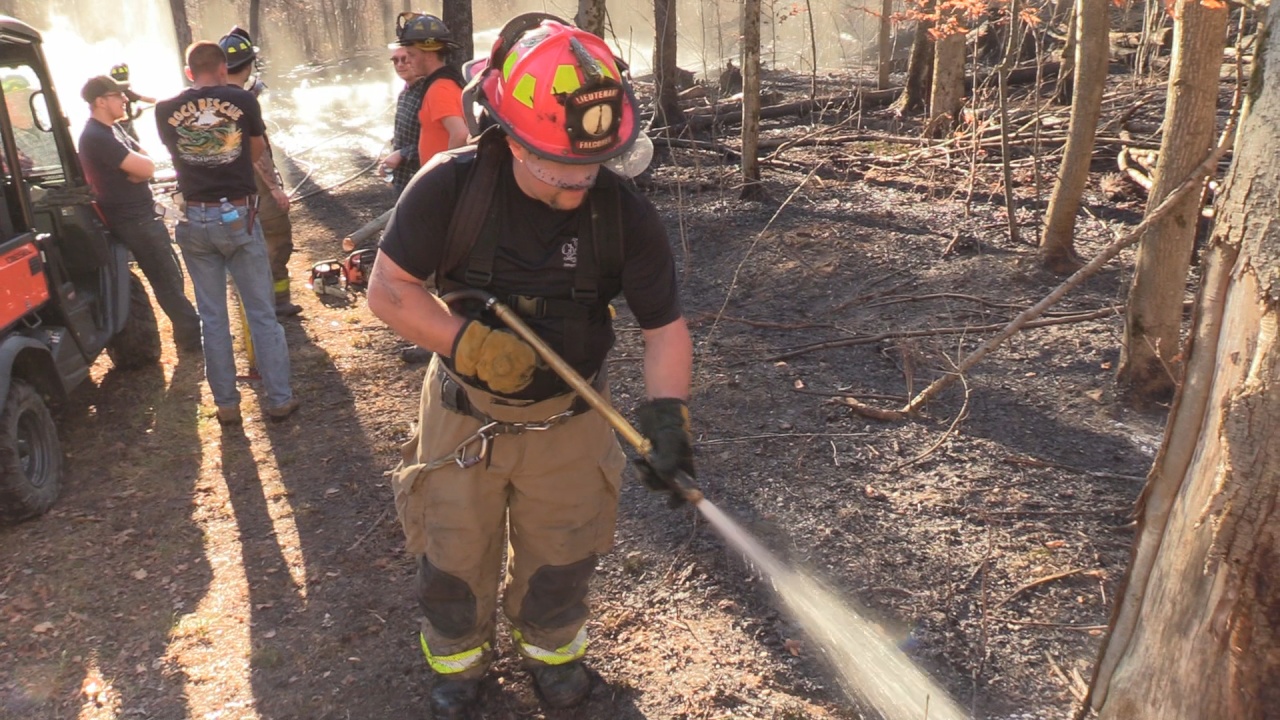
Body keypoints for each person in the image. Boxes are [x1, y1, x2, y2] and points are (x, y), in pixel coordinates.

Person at [366, 16, 694, 719]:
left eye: (592, 164)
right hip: (463, 419)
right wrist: (470, 345)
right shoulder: (448, 190)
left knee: (565, 556)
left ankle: (554, 659)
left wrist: (668, 415)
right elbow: (389, 289)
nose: (581, 179)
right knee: (452, 559)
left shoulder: (622, 213)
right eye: (559, 164)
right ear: (508, 133)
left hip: (571, 429)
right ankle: (459, 667)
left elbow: (665, 328)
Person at [155, 41, 299, 426]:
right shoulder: (243, 101)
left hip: (194, 219)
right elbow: (253, 152)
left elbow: (177, 153)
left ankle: (226, 405)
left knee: (213, 317)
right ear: (222, 69)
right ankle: (280, 400)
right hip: (238, 215)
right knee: (261, 314)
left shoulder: (164, 109)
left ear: (189, 72)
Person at [77, 75, 203, 353]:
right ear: (100, 101)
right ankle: (193, 339)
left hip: (142, 215)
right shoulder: (96, 136)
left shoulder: (113, 130)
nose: (124, 99)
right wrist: (139, 172)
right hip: (134, 220)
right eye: (116, 96)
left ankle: (189, 333)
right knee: (165, 278)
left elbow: (145, 159)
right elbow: (146, 169)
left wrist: (139, 171)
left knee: (171, 274)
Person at [219, 28, 302, 318]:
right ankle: (277, 302)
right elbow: (258, 151)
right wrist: (275, 188)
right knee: (277, 237)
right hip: (253, 184)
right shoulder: (244, 101)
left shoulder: (209, 100)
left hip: (223, 191)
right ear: (249, 64)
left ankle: (249, 304)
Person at [380, 12, 459, 198]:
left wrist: (443, 176)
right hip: (422, 181)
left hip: (436, 186)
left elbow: (461, 133)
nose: (406, 62)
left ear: (429, 53)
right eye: (397, 59)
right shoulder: (431, 87)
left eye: (411, 55)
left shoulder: (440, 88)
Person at [108, 63, 155, 142]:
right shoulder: (127, 92)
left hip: (117, 125)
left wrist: (134, 116)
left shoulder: (109, 93)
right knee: (134, 143)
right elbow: (147, 99)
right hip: (125, 125)